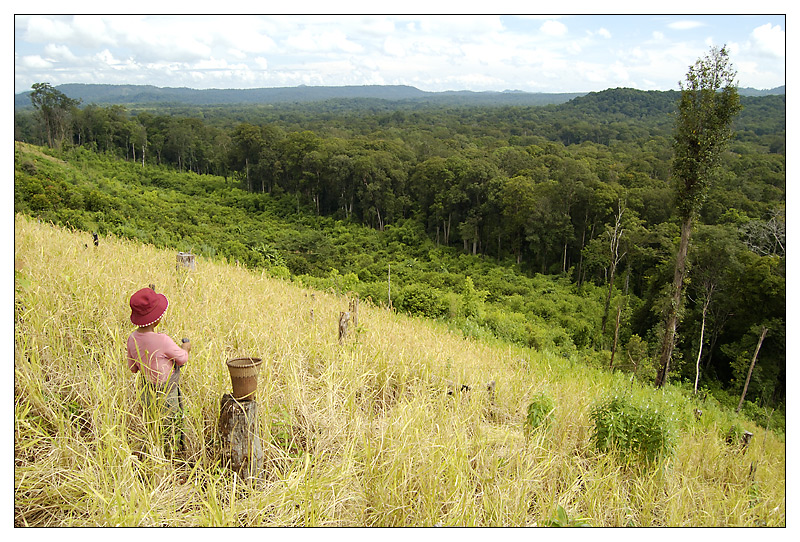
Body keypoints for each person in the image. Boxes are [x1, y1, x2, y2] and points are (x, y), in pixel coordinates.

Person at [126, 287, 191, 452]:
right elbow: (182, 358)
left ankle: (154, 449)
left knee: (152, 423)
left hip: (147, 391)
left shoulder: (132, 338)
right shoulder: (162, 340)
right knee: (171, 425)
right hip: (167, 392)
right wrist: (186, 347)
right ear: (156, 320)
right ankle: (172, 453)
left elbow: (133, 368)